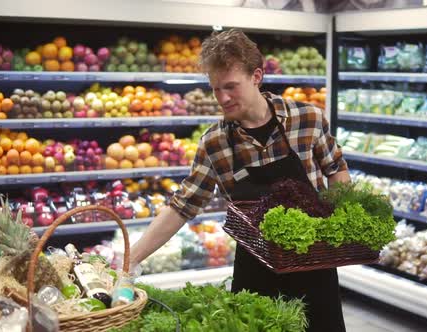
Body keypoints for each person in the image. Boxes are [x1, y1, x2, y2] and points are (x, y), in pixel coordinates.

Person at [130, 28, 350, 331]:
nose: (222, 98)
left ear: (256, 76)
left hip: (315, 265)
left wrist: (341, 226)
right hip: (255, 274)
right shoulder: (215, 143)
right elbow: (182, 206)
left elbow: (336, 169)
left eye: (231, 87)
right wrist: (131, 259)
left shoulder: (308, 120)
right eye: (215, 89)